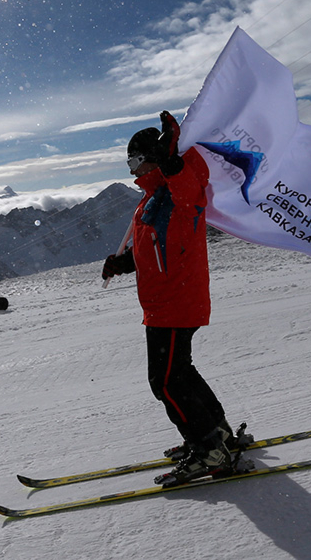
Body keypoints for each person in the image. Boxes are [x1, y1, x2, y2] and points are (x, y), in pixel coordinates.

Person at [101, 111, 251, 487]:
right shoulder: (153, 198)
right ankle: (217, 435)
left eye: (136, 160)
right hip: (165, 302)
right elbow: (155, 248)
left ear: (154, 157)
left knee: (165, 381)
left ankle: (208, 451)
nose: (133, 171)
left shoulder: (179, 189)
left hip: (176, 302)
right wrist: (123, 263)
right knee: (179, 373)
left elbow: (189, 189)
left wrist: (172, 163)